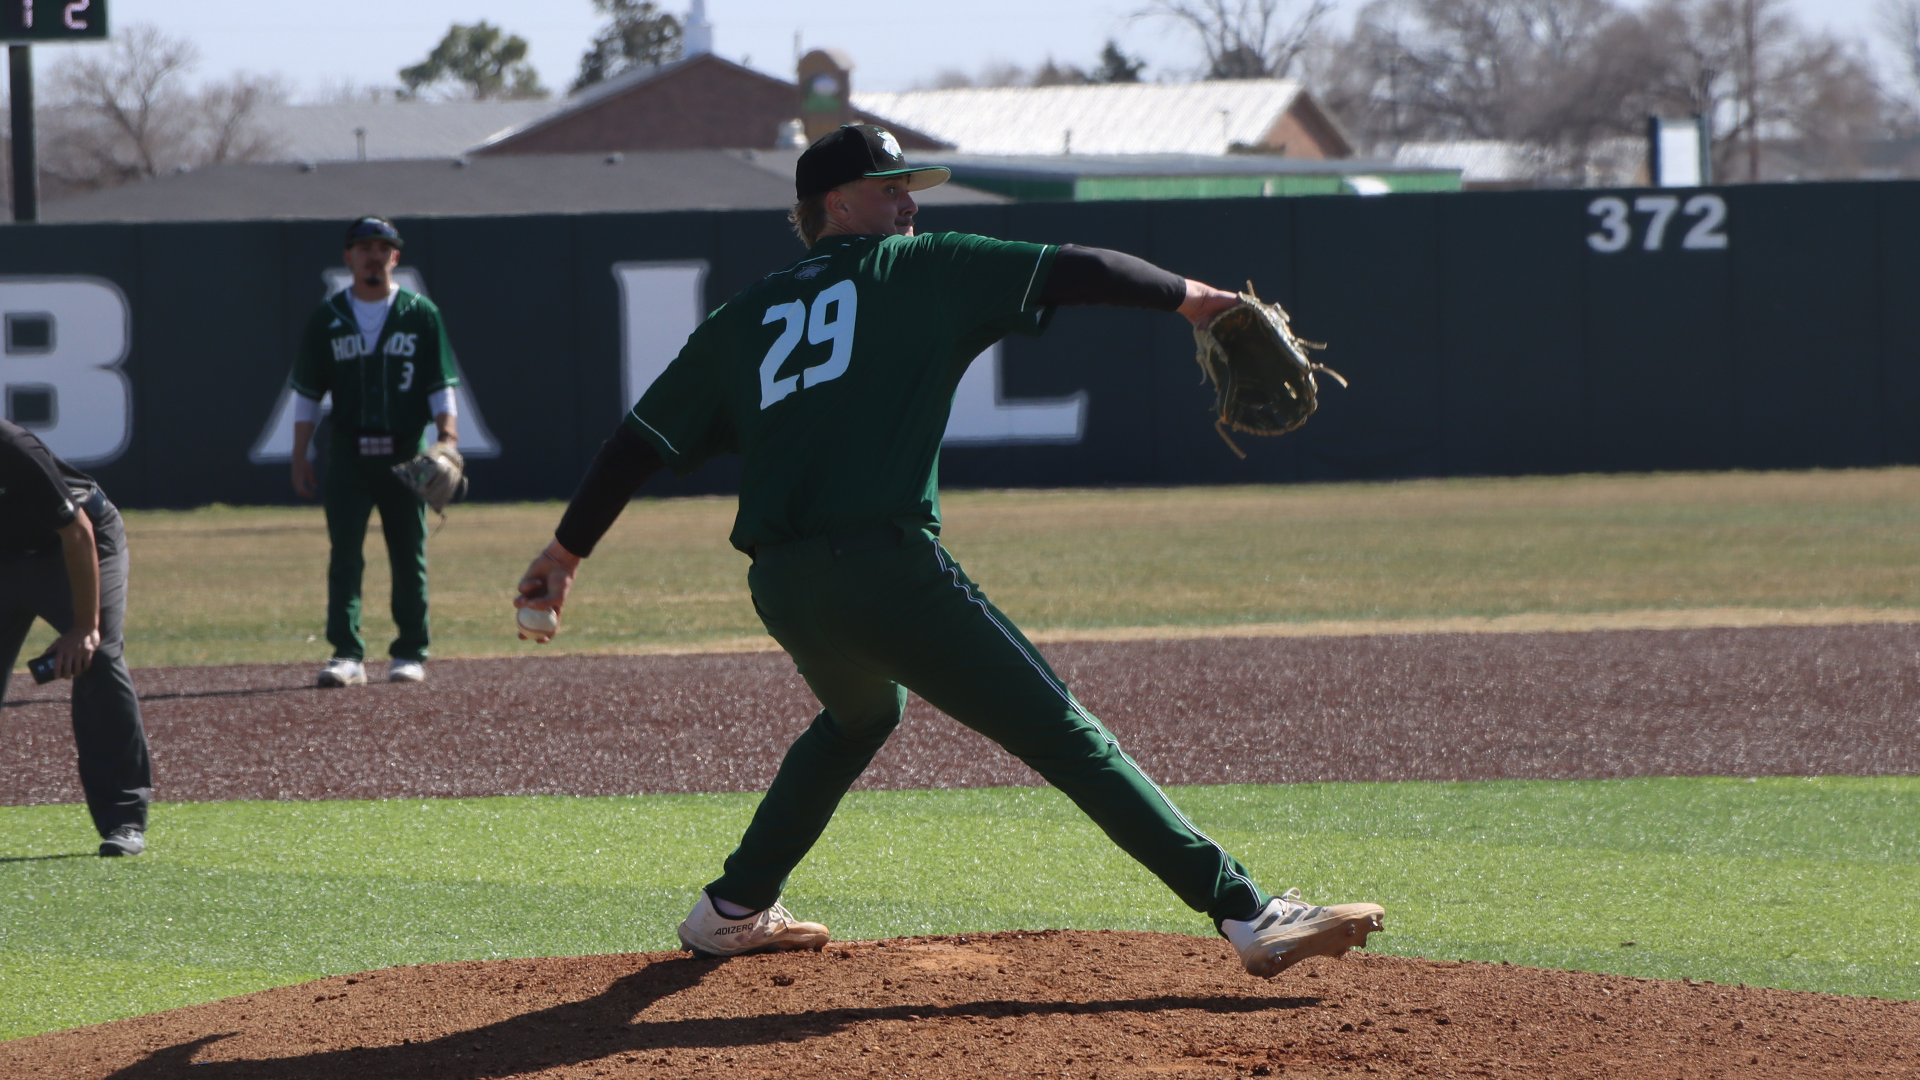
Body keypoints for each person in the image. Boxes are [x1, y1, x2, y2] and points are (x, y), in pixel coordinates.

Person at [514, 125, 1384, 978]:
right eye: (889, 188)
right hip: (887, 572)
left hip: (785, 584)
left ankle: (732, 908)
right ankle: (1247, 912)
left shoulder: (745, 316)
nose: (907, 202)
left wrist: (565, 551)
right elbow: (1076, 269)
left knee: (863, 715)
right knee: (1066, 733)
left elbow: (638, 440)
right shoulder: (920, 268)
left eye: (910, 188)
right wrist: (1199, 299)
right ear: (832, 203)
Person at [288, 216, 460, 687]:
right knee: (345, 553)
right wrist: (300, 452)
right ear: (348, 257)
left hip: (405, 450)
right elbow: (307, 393)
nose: (373, 255)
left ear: (395, 257)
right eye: (364, 247)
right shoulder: (328, 318)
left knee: (409, 553)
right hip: (348, 453)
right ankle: (346, 652)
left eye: (382, 247)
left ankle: (410, 650)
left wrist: (448, 439)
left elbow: (441, 386)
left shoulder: (420, 313)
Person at [0, 419, 153, 857]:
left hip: (75, 547)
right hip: (5, 557)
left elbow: (78, 531)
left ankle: (124, 820)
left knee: (98, 658)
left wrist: (85, 627)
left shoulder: (12, 447)